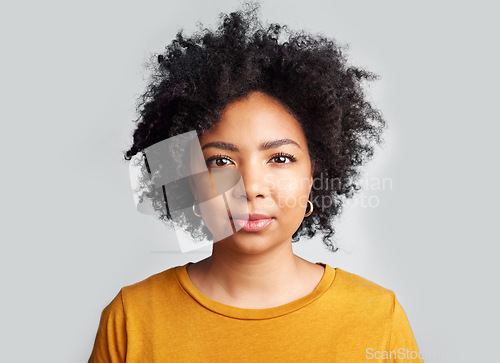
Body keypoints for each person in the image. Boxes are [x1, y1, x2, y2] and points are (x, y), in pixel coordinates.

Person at [89, 2, 423, 362]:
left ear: (315, 173)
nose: (250, 187)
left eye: (280, 158)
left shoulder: (378, 316)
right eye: (220, 161)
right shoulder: (131, 318)